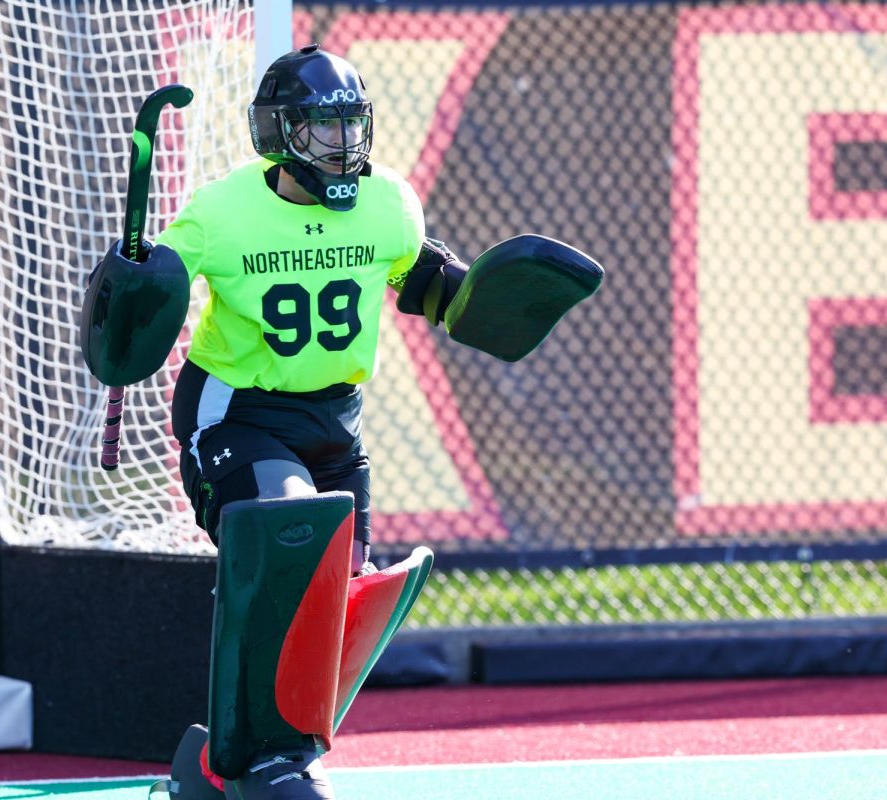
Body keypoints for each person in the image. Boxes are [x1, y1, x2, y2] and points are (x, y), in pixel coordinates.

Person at [81, 44, 601, 800]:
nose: (342, 145)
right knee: (290, 545)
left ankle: (227, 762)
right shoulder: (222, 211)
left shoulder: (387, 200)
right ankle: (260, 766)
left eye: (351, 126)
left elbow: (426, 283)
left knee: (334, 599)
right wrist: (129, 290)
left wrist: (486, 296)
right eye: (323, 129)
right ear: (278, 133)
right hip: (239, 413)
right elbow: (146, 299)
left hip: (336, 423)